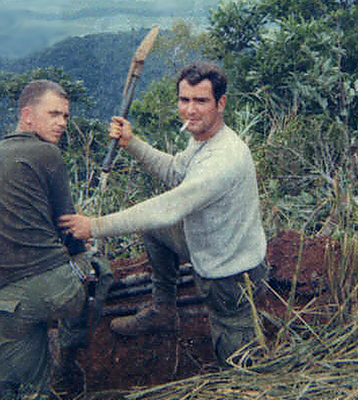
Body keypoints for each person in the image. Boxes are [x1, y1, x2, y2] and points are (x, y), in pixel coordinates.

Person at [58, 62, 268, 366]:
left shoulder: (222, 159)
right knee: (155, 230)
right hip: (209, 245)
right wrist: (132, 144)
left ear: (220, 104)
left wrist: (95, 226)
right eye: (185, 100)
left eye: (201, 101)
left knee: (239, 367)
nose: (190, 111)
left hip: (231, 276)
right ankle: (164, 310)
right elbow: (174, 171)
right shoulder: (203, 139)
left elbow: (168, 209)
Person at [0, 79, 94, 400]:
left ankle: (20, 389)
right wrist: (82, 258)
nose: (61, 123)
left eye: (65, 116)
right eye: (54, 114)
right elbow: (69, 227)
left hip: (7, 300)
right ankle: (73, 353)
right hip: (57, 291)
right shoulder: (47, 153)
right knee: (99, 268)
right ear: (27, 115)